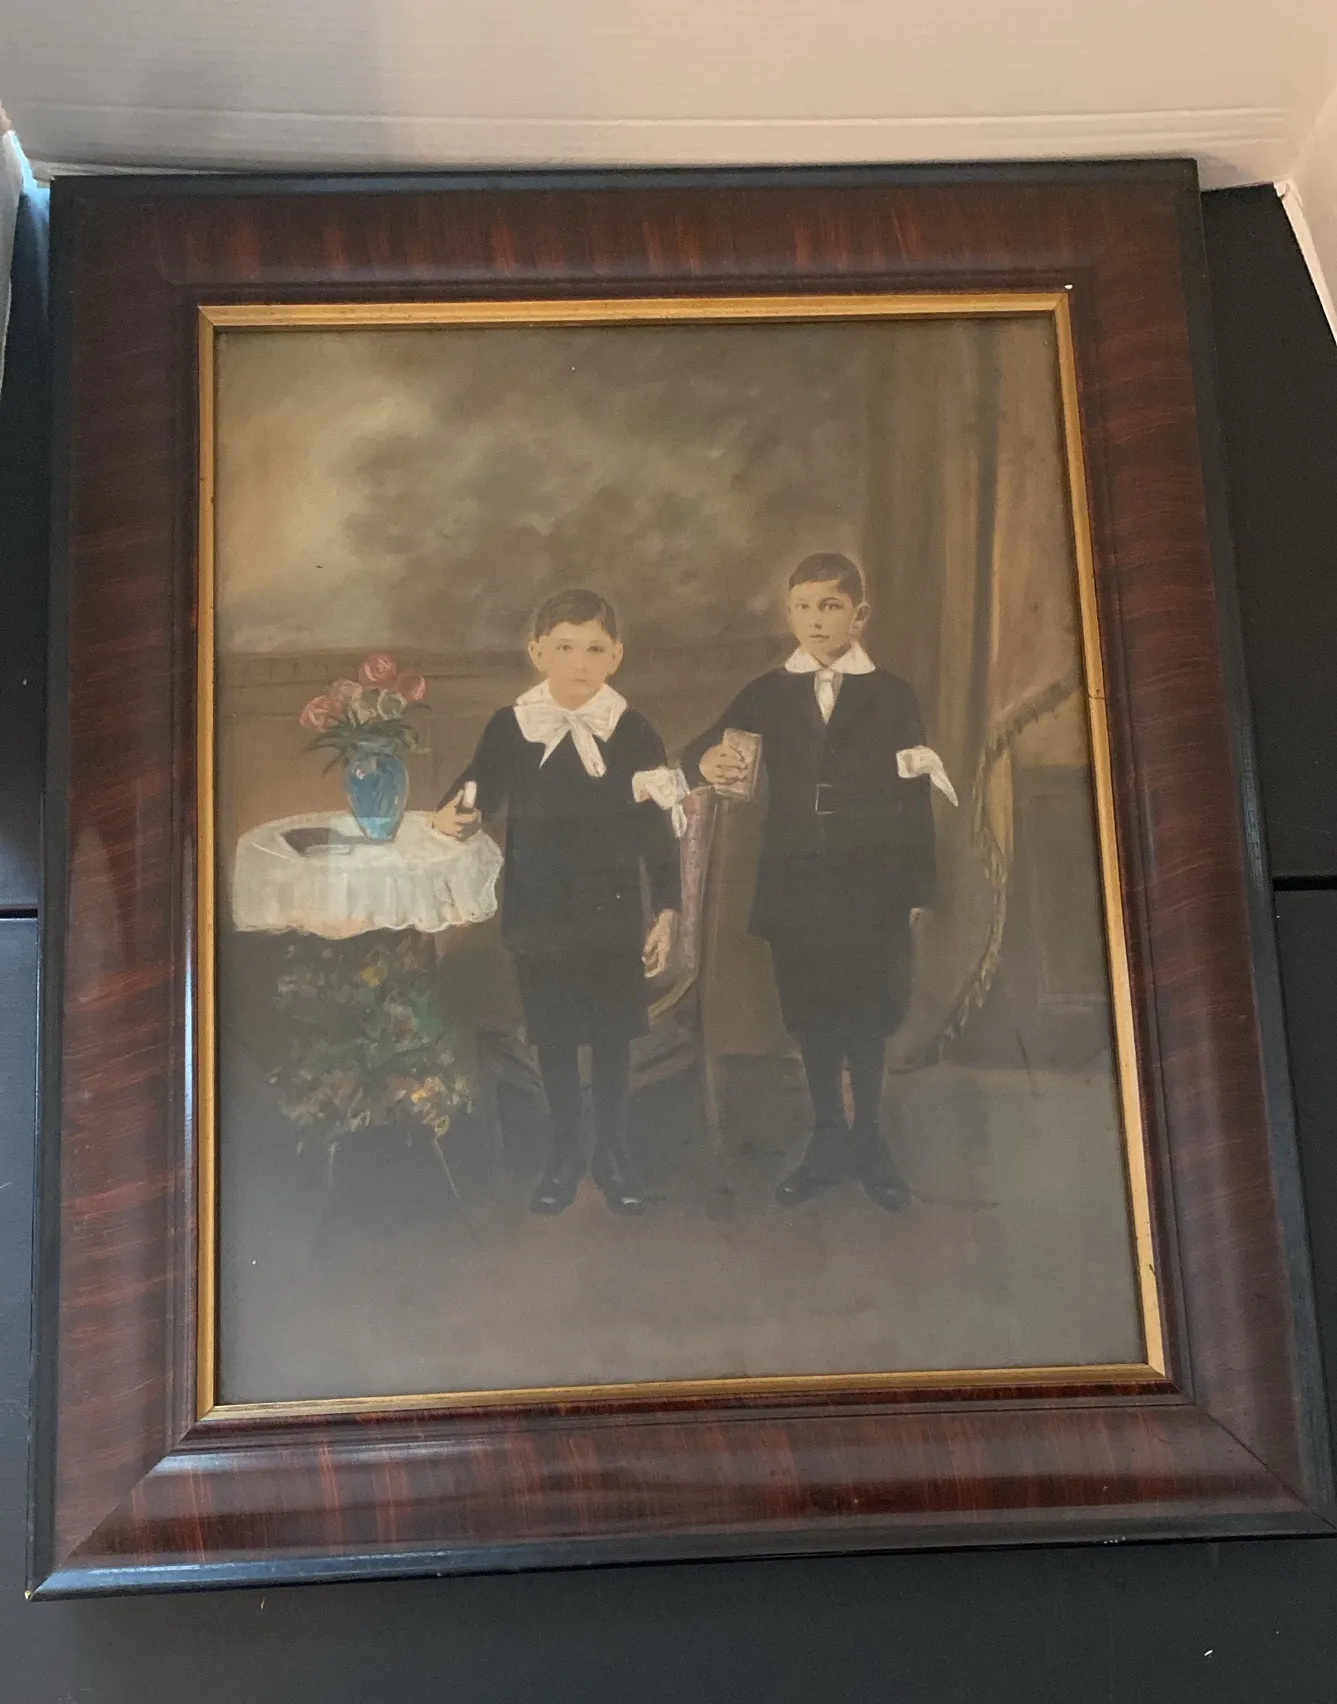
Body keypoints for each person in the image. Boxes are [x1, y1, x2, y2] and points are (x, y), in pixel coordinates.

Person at [681, 552, 949, 1211]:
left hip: (873, 878)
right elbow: (700, 749)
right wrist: (707, 759)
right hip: (796, 878)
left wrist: (917, 888)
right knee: (812, 1013)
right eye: (802, 607)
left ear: (859, 614)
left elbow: (914, 796)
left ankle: (869, 1138)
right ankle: (828, 1137)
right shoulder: (768, 692)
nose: (815, 619)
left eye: (829, 605)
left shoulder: (891, 695)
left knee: (869, 1011)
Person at [433, 589, 680, 1217]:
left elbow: (657, 831)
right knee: (555, 1036)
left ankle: (613, 1152)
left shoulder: (634, 730)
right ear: (537, 652)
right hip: (538, 907)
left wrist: (667, 911)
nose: (579, 663)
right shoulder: (512, 726)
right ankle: (565, 1153)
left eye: (594, 649)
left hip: (612, 908)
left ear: (616, 656)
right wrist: (455, 812)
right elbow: (477, 788)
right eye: (564, 648)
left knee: (614, 1036)